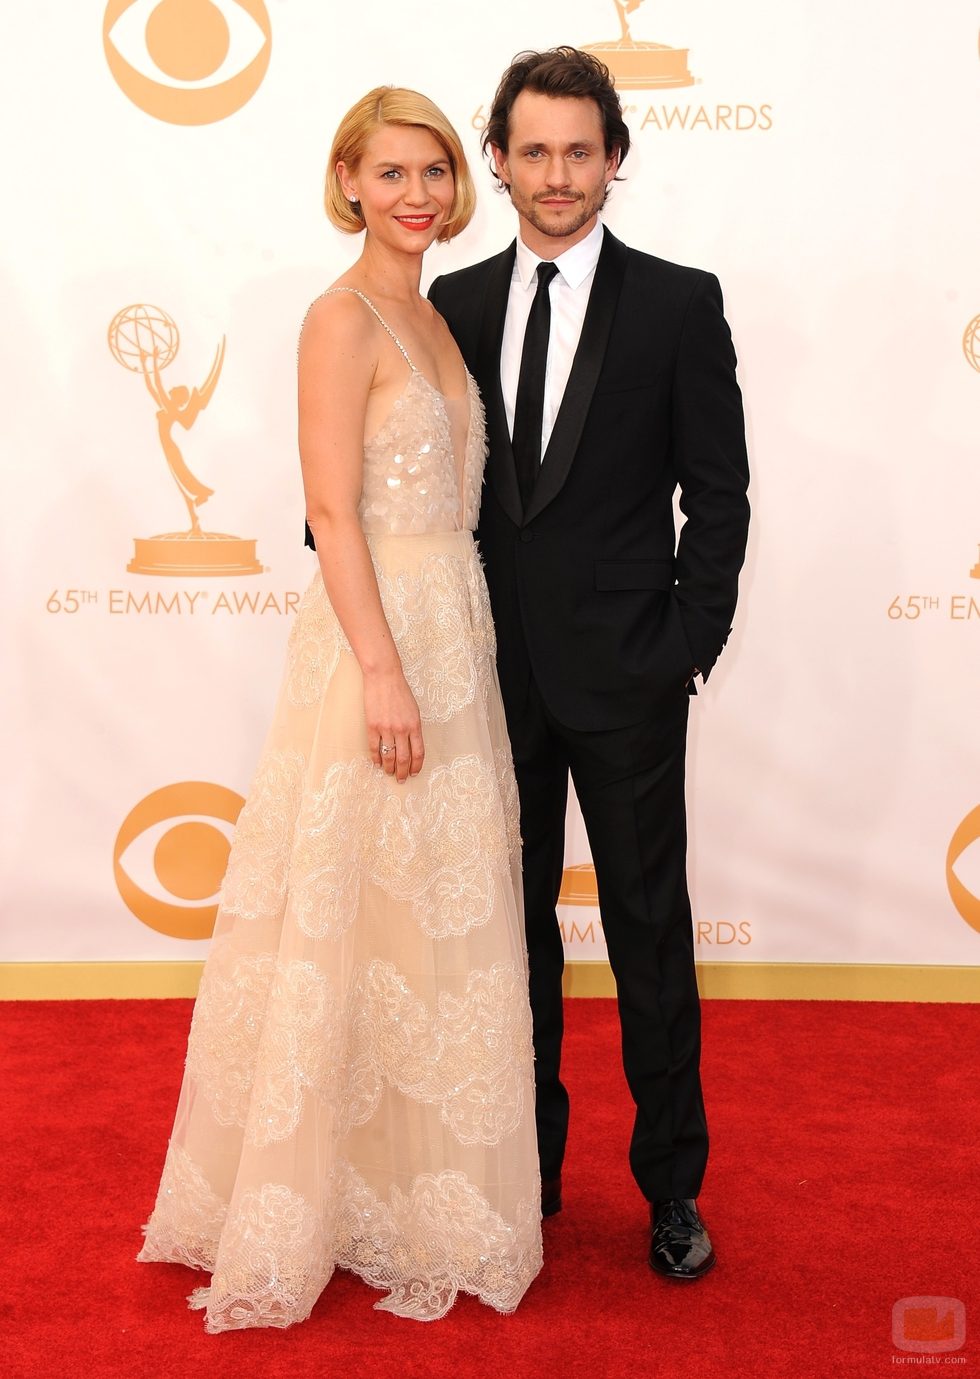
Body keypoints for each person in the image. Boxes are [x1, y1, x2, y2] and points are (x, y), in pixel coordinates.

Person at [137, 87, 542, 1329]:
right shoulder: (338, 317)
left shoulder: (430, 312)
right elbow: (329, 510)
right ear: (348, 182)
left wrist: (430, 655)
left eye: (432, 172)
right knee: (342, 909)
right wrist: (378, 666)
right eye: (390, 175)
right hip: (379, 636)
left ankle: (413, 1191)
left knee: (421, 914)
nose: (415, 195)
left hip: (452, 626)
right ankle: (309, 1198)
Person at [429, 47, 750, 1281]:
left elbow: (713, 497)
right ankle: (531, 1181)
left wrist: (682, 647)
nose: (555, 175)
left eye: (579, 150)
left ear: (614, 158)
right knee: (504, 945)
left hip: (626, 678)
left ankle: (671, 1187)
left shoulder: (677, 301)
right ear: (497, 159)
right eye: (533, 150)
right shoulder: (448, 305)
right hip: (485, 684)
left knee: (647, 937)